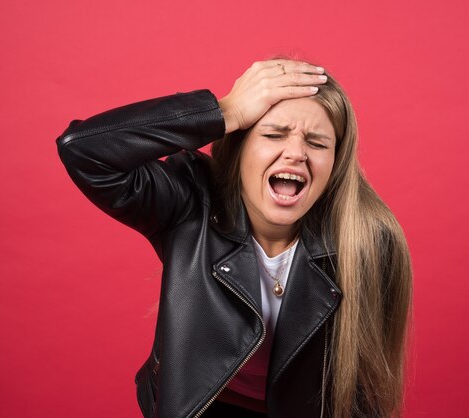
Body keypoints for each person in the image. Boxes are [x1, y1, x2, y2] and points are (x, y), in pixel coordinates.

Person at [56, 59, 412, 418]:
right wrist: (224, 111)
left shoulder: (367, 238)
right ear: (239, 148)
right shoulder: (191, 202)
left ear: (335, 163)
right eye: (273, 135)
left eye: (317, 143)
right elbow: (83, 151)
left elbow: (362, 389)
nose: (296, 153)